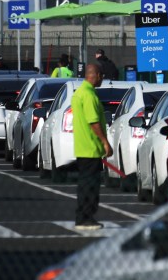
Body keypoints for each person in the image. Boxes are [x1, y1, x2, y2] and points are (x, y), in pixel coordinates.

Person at [72, 63, 113, 230]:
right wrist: (105, 142)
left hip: (83, 147)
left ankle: (83, 216)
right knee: (90, 186)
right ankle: (85, 218)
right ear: (95, 75)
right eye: (101, 75)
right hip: (91, 148)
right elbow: (93, 121)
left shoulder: (79, 93)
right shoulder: (89, 95)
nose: (103, 78)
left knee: (85, 184)